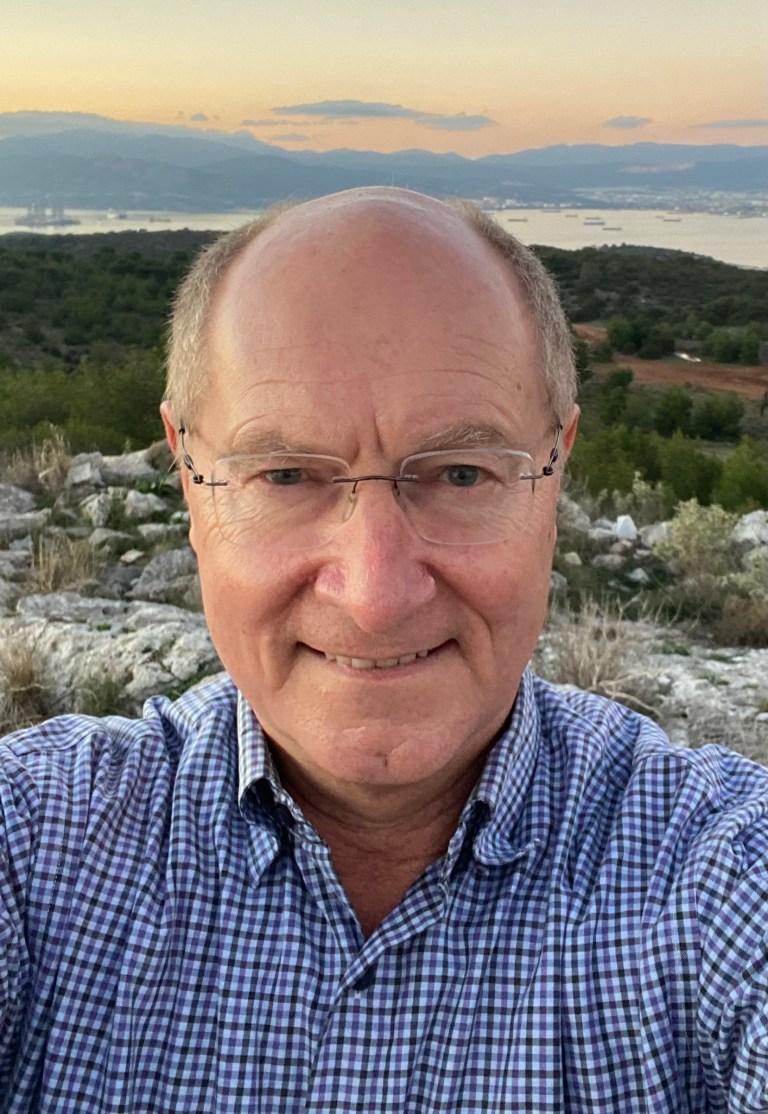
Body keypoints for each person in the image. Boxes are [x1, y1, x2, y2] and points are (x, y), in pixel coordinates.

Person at [1, 187, 767, 1112]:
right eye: (285, 475)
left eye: (458, 473)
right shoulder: (38, 847)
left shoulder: (716, 873)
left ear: (554, 474)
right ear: (190, 479)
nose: (373, 594)